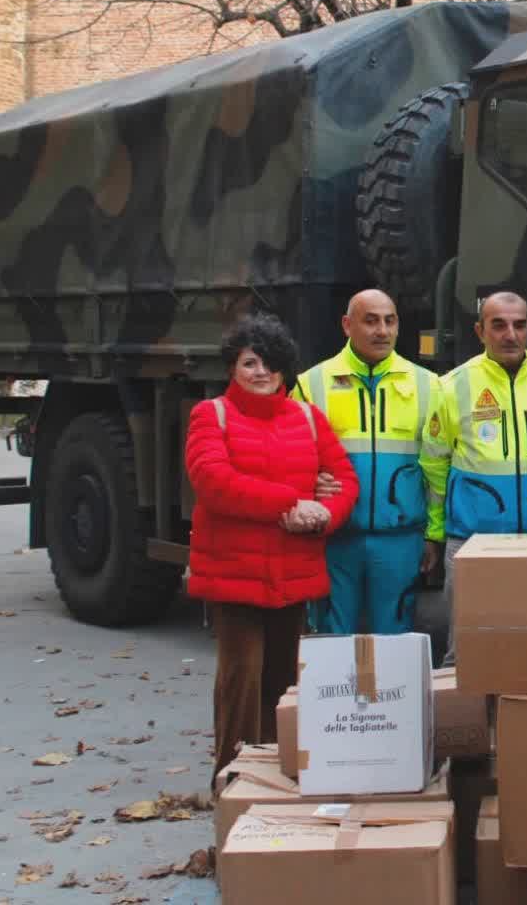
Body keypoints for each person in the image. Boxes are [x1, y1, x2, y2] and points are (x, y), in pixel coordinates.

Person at [186, 313, 358, 775]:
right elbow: (213, 481)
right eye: (249, 363)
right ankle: (234, 781)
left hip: (292, 575)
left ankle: (277, 779)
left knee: (283, 687)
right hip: (234, 577)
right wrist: (292, 503)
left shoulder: (307, 417)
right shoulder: (211, 416)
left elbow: (342, 479)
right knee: (241, 683)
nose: (261, 372)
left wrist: (325, 514)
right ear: (232, 369)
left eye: (270, 364)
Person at [433, 291, 527, 660]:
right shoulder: (454, 385)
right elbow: (435, 462)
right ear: (479, 331)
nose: (510, 335)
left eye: (519, 325)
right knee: (466, 652)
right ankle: (465, 718)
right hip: (472, 539)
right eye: (498, 325)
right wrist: (437, 530)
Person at [292, 289, 447, 636]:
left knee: (394, 639)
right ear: (347, 325)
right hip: (333, 538)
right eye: (371, 320)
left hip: (400, 538)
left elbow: (437, 470)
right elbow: (289, 458)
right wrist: (309, 489)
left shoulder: (429, 385)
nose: (382, 331)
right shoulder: (312, 384)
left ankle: (387, 694)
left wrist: (433, 535)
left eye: (389, 321)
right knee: (332, 639)